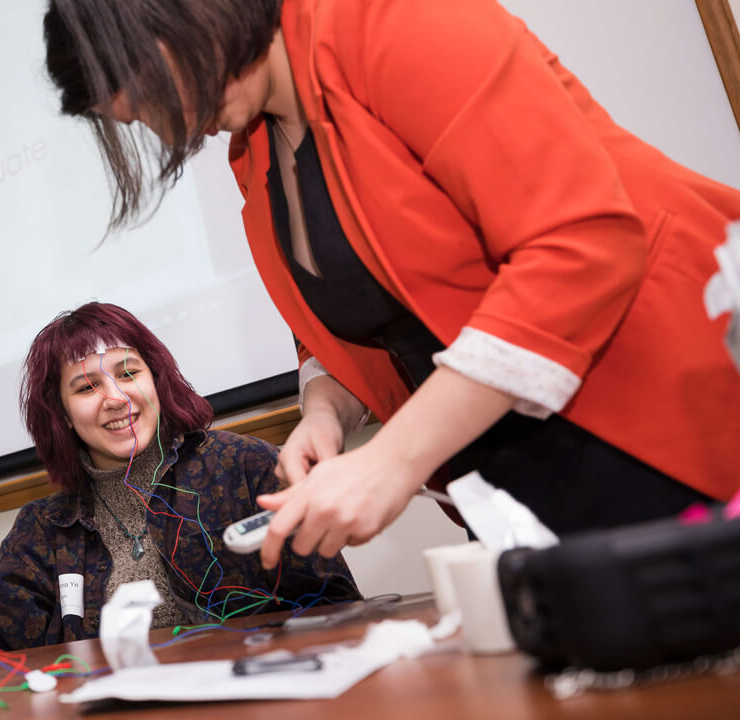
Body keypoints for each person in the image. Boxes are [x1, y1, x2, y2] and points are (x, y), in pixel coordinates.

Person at [42, 0, 740, 569]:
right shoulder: (253, 150)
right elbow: (372, 314)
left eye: (152, 104)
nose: (173, 134)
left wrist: (397, 458)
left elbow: (580, 245)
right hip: (510, 481)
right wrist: (325, 413)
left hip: (662, 424)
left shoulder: (393, 22)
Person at [0, 302, 360, 659]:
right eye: (86, 387)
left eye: (128, 373)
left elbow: (338, 608)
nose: (116, 397)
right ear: (62, 415)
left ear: (156, 380)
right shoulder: (42, 531)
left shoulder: (243, 466)